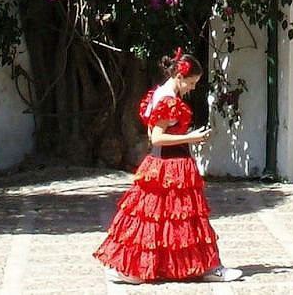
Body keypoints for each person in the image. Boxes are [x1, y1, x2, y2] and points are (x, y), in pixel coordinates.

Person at [94, 48, 242, 284]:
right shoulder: (168, 100)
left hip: (160, 164)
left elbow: (152, 132)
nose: (192, 88)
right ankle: (204, 267)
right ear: (179, 77)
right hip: (170, 166)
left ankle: (141, 269)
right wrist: (190, 137)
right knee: (181, 217)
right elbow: (156, 138)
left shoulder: (160, 94)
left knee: (158, 219)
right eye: (191, 83)